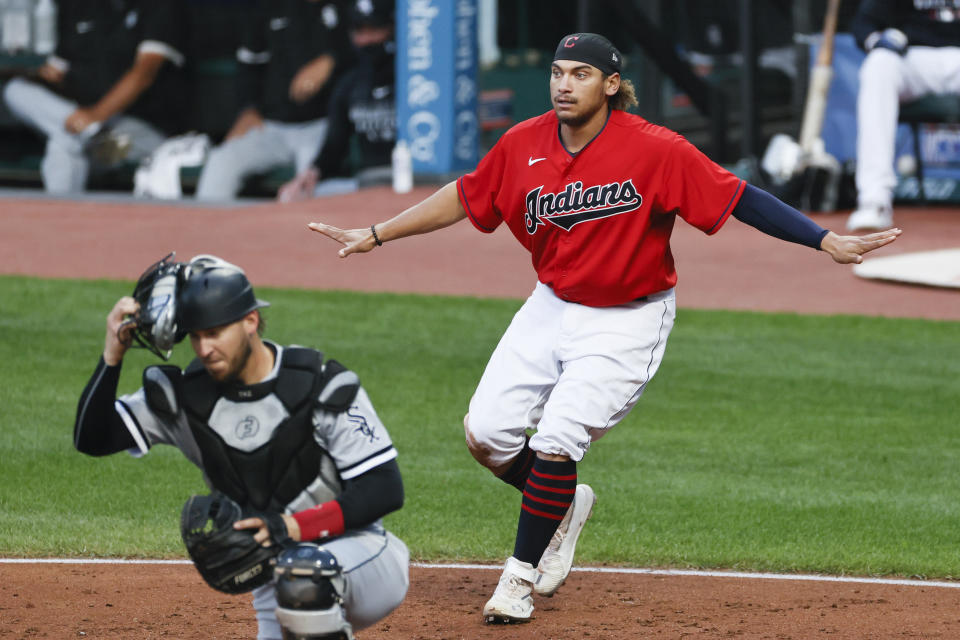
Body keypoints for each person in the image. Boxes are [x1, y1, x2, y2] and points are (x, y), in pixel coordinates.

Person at [306, 32, 902, 624]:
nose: (565, 85)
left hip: (627, 318)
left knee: (557, 439)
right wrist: (378, 232)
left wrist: (824, 239)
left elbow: (739, 196)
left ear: (612, 85)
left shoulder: (656, 149)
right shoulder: (523, 143)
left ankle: (517, 579)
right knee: (485, 435)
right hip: (552, 304)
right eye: (559, 72)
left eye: (581, 75)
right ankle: (563, 507)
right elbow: (466, 196)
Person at [73, 254, 409, 639]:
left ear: (250, 321)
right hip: (278, 580)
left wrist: (292, 526)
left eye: (215, 333)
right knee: (295, 578)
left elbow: (385, 488)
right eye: (196, 336)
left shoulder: (317, 384)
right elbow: (92, 439)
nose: (204, 348)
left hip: (362, 556)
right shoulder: (186, 400)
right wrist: (112, 355)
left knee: (304, 575)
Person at [1, 0, 188, 194]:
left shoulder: (161, 6)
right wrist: (28, 78)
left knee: (64, 143)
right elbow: (54, 73)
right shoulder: (82, 7)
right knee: (15, 90)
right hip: (85, 132)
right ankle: (86, 131)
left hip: (135, 137)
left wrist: (95, 117)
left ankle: (62, 222)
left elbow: (143, 75)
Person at [195, 0, 353, 201]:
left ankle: (296, 233)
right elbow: (249, 67)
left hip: (322, 127)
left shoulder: (346, 8)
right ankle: (207, 230)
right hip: (271, 126)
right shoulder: (272, 7)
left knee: (304, 190)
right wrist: (248, 109)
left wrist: (331, 60)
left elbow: (370, 54)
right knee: (221, 162)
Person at [847, 0, 960, 231]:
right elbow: (864, 22)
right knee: (878, 65)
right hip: (913, 57)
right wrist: (877, 41)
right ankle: (874, 200)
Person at [278, 0, 396, 201]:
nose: (366, 39)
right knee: (297, 195)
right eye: (360, 31)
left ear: (391, 29)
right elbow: (334, 146)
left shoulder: (414, 81)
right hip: (366, 183)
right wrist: (311, 174)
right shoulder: (350, 84)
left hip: (414, 182)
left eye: (374, 29)